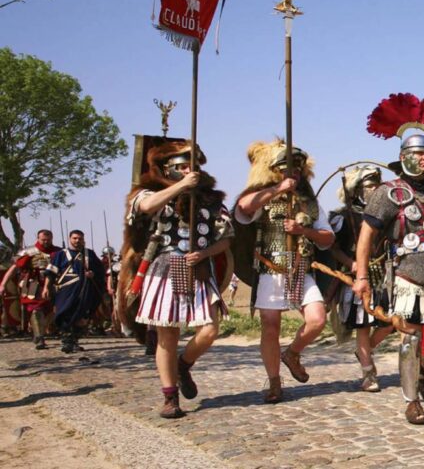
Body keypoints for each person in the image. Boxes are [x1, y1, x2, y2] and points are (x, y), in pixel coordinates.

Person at [355, 93, 424, 425]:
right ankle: (412, 401)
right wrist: (362, 277)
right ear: (404, 156)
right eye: (419, 154)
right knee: (410, 338)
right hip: (407, 275)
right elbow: (366, 236)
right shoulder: (388, 193)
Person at [123, 141, 233, 419]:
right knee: (167, 335)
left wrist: (205, 253)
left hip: (200, 269)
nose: (188, 170)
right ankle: (170, 396)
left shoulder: (211, 199)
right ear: (167, 169)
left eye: (191, 166)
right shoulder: (149, 192)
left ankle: (183, 365)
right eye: (182, 166)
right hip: (165, 267)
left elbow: (226, 238)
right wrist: (182, 186)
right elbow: (146, 206)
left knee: (209, 330)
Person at [234, 140, 334, 403]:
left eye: (298, 169)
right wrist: (278, 189)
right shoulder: (263, 198)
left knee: (317, 319)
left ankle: (292, 353)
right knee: (270, 327)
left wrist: (304, 231)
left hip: (301, 269)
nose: (294, 173)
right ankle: (274, 382)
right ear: (275, 171)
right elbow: (243, 207)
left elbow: (327, 238)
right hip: (270, 270)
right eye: (288, 169)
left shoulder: (309, 203)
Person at [327, 165, 393, 392]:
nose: (374, 190)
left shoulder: (386, 214)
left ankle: (365, 351)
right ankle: (368, 373)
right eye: (370, 186)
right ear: (357, 190)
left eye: (377, 186)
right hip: (357, 277)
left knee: (391, 321)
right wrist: (351, 263)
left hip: (383, 276)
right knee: (363, 325)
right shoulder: (343, 217)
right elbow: (333, 248)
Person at [42, 230, 105, 353]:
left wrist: (93, 273)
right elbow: (51, 273)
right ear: (70, 239)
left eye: (80, 238)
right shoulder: (61, 254)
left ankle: (75, 340)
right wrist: (46, 288)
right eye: (75, 238)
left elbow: (100, 270)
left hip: (85, 290)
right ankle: (67, 341)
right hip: (66, 291)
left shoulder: (90, 254)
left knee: (81, 316)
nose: (77, 241)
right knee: (65, 314)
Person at [0, 230, 59, 349]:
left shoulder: (58, 252)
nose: (46, 242)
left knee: (51, 311)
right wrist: (3, 284)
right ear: (38, 238)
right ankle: (39, 337)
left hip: (54, 284)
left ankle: (44, 332)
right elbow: (14, 268)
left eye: (48, 240)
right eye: (43, 240)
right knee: (36, 310)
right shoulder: (29, 252)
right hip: (34, 285)